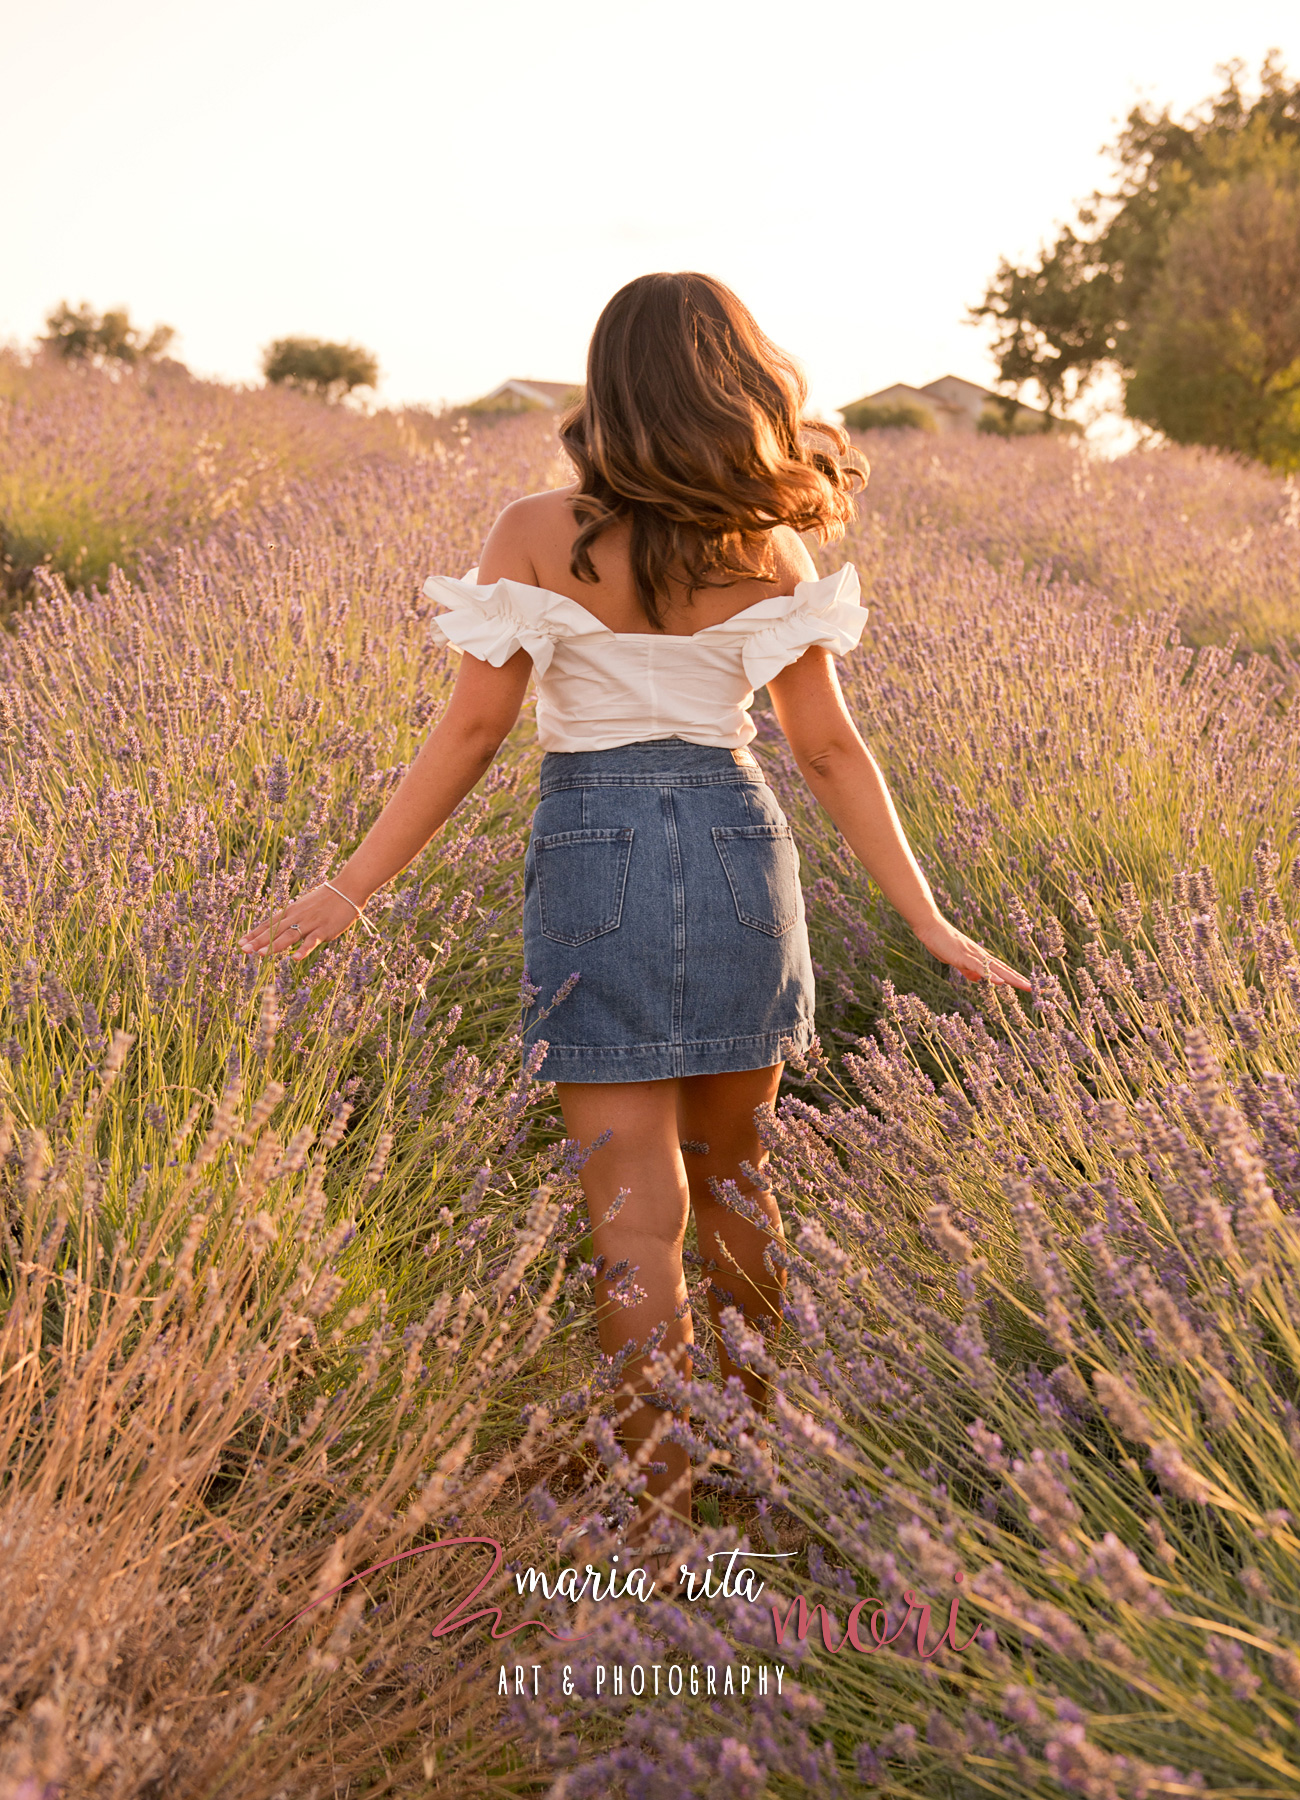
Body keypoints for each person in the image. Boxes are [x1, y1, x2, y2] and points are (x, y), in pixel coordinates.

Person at [239, 272, 1030, 1555]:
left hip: (594, 846)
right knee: (739, 1187)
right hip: (732, 840)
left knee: (632, 1214)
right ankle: (749, 1468)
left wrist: (348, 884)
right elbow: (826, 751)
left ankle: (659, 1506)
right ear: (735, 382)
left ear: (606, 385)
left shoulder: (538, 531)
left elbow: (476, 727)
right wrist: (926, 919)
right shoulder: (766, 546)